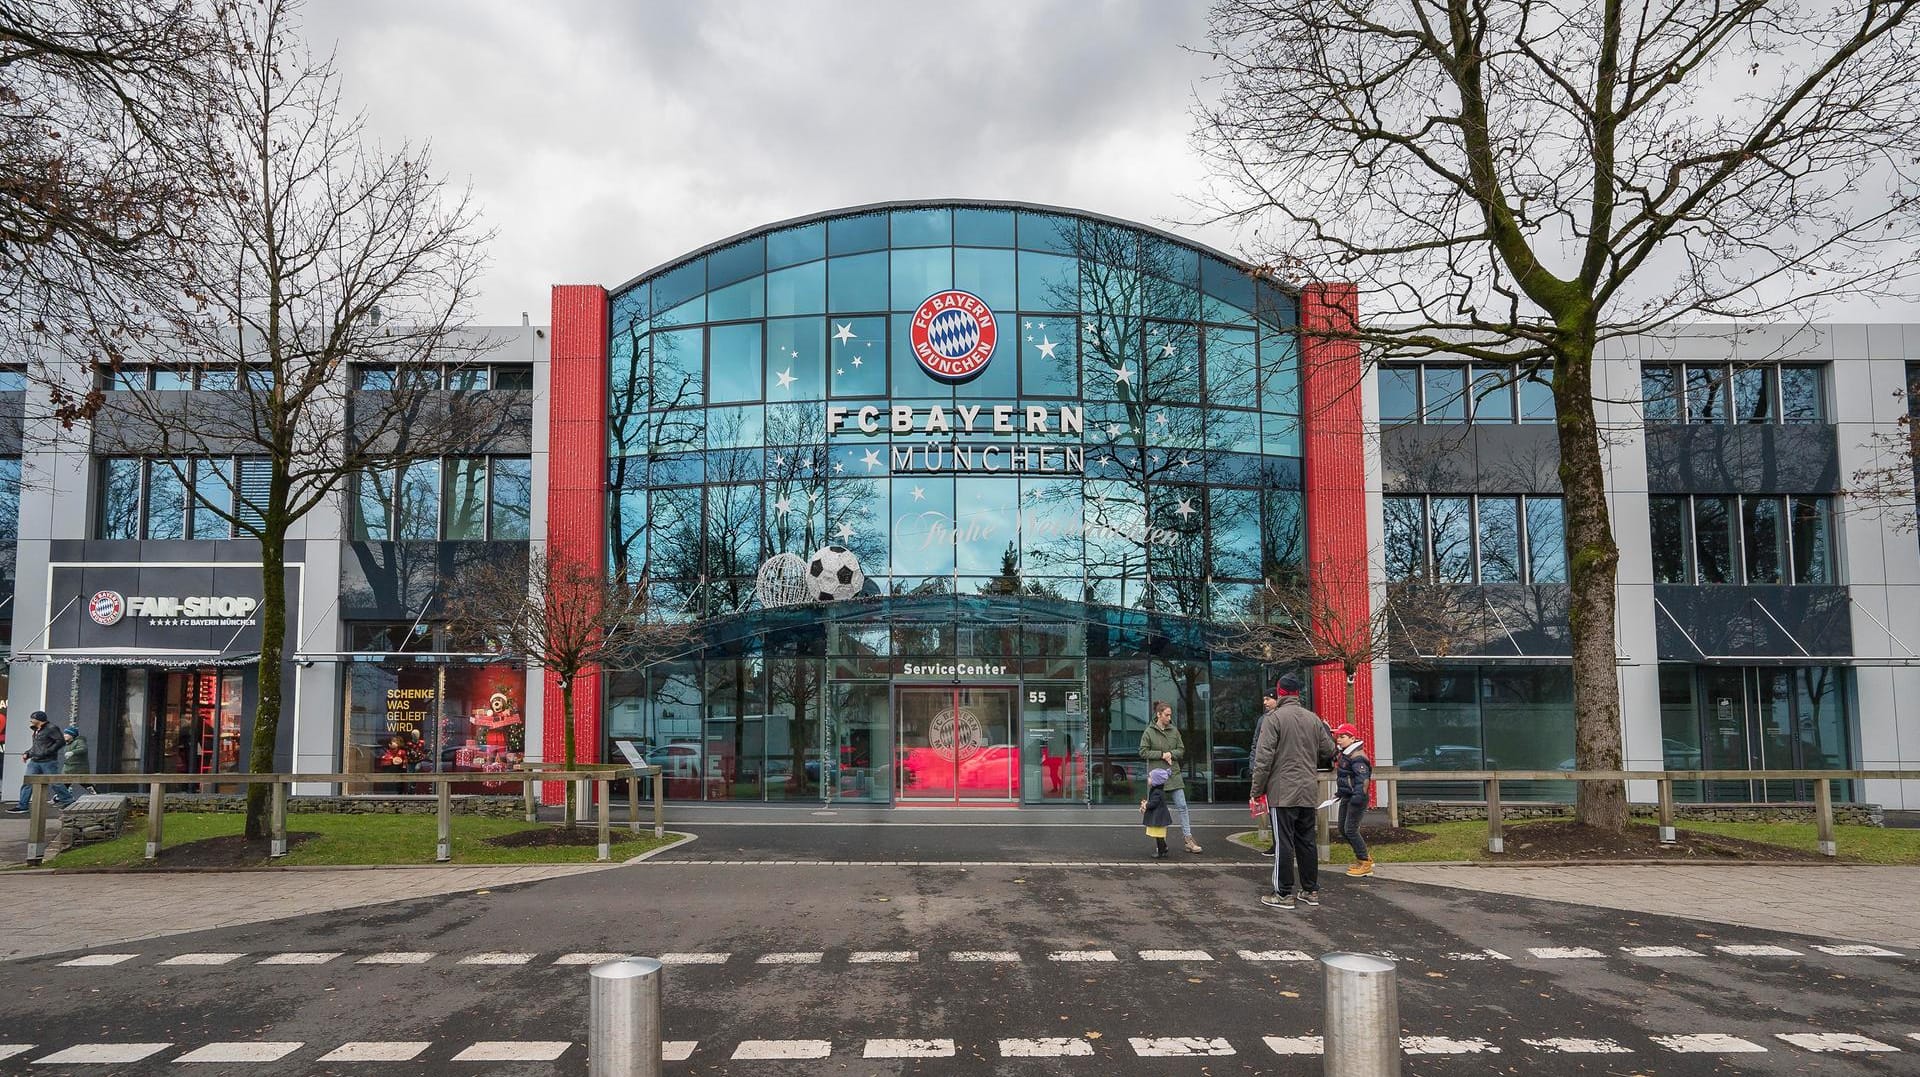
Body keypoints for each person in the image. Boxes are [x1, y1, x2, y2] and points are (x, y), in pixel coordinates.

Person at [1249, 674, 1335, 909]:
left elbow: (1263, 758)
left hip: (1282, 791)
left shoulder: (1273, 719)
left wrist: (1257, 790)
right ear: (1298, 693)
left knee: (1283, 842)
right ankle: (1310, 890)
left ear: (1280, 692)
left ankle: (1283, 893)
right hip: (1307, 790)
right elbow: (1329, 749)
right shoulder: (1313, 718)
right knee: (1307, 841)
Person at [1139, 700, 1200, 853]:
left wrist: (1171, 754)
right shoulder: (1149, 732)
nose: (1169, 718)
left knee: (1182, 806)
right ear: (1158, 715)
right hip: (1157, 777)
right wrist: (1161, 755)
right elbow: (1143, 752)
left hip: (1174, 774)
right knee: (1157, 809)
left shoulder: (1174, 731)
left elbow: (1181, 749)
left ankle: (1188, 839)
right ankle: (1161, 844)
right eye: (1167, 715)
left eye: (1170, 715)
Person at [1332, 723, 1374, 877]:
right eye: (1338, 737)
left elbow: (1363, 781)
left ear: (1352, 738)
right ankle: (1362, 857)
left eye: (1342, 737)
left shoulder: (1357, 757)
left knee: (1350, 829)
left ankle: (1365, 862)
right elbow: (1345, 778)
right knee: (1343, 829)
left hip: (1356, 799)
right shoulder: (1346, 754)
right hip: (1347, 796)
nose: (1339, 740)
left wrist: (1357, 798)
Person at [9, 712, 65, 814]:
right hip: (34, 761)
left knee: (55, 782)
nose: (30, 720)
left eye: (32, 718)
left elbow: (61, 741)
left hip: (48, 761)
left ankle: (68, 801)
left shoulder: (51, 728)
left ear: (39, 719)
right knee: (27, 783)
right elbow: (36, 747)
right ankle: (23, 806)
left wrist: (48, 751)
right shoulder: (36, 730)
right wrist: (27, 754)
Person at [1253, 694, 1280, 854]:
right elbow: (1256, 744)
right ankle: (1277, 844)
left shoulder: (1282, 719)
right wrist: (1253, 765)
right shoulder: (1263, 720)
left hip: (1278, 772)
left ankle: (1282, 846)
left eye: (1268, 699)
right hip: (1267, 771)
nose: (1265, 703)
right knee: (1270, 810)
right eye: (1263, 699)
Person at [56, 723, 92, 807]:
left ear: (72, 735)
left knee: (85, 784)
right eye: (64, 734)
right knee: (64, 784)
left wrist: (73, 752)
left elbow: (83, 748)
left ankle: (97, 795)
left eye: (66, 734)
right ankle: (60, 798)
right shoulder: (68, 744)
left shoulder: (79, 741)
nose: (64, 735)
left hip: (78, 768)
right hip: (69, 769)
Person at [1142, 767, 1174, 859]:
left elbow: (1153, 803)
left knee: (1158, 836)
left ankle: (1161, 851)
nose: (1148, 779)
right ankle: (1164, 848)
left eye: (1150, 777)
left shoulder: (1157, 792)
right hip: (1160, 817)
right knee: (1159, 835)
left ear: (1156, 781)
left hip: (1158, 818)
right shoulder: (1158, 791)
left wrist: (1146, 805)